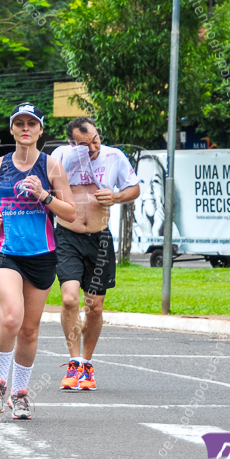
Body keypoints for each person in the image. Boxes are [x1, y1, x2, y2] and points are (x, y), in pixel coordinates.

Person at [0, 103, 74, 420]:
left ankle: (20, 394)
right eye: (19, 123)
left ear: (41, 130)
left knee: (29, 331)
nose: (26, 128)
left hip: (42, 255)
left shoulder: (52, 166)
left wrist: (45, 195)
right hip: (5, 251)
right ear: (12, 129)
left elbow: (70, 212)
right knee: (12, 318)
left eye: (32, 123)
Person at [50, 117, 140, 392]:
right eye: (85, 145)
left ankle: (86, 365)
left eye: (96, 140)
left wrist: (115, 197)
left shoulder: (115, 157)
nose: (93, 148)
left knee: (95, 306)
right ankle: (73, 361)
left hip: (100, 238)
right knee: (69, 300)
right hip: (67, 235)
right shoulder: (59, 157)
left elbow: (134, 188)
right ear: (70, 143)